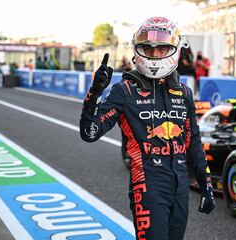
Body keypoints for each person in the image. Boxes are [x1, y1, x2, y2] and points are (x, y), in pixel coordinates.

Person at [80, 17, 215, 240]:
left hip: (180, 186)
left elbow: (194, 145)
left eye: (161, 48)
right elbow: (89, 134)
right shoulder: (124, 91)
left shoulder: (184, 93)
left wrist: (206, 185)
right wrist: (94, 94)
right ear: (137, 50)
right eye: (148, 49)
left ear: (174, 49)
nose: (154, 55)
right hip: (147, 186)